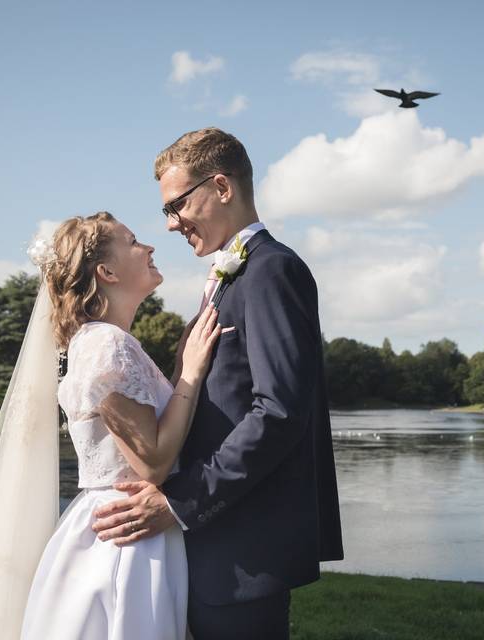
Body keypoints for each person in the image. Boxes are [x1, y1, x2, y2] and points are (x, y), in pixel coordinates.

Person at [92, 128, 344, 639]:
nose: (169, 224)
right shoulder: (233, 277)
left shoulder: (273, 271)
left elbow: (279, 413)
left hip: (243, 551)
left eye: (177, 204)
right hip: (214, 547)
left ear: (222, 187)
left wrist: (178, 501)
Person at [0, 211, 222, 639]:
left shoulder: (107, 342)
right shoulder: (106, 345)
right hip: (127, 535)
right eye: (134, 241)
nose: (150, 247)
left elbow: (144, 430)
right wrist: (191, 372)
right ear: (106, 271)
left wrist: (175, 371)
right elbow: (151, 462)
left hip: (124, 523)